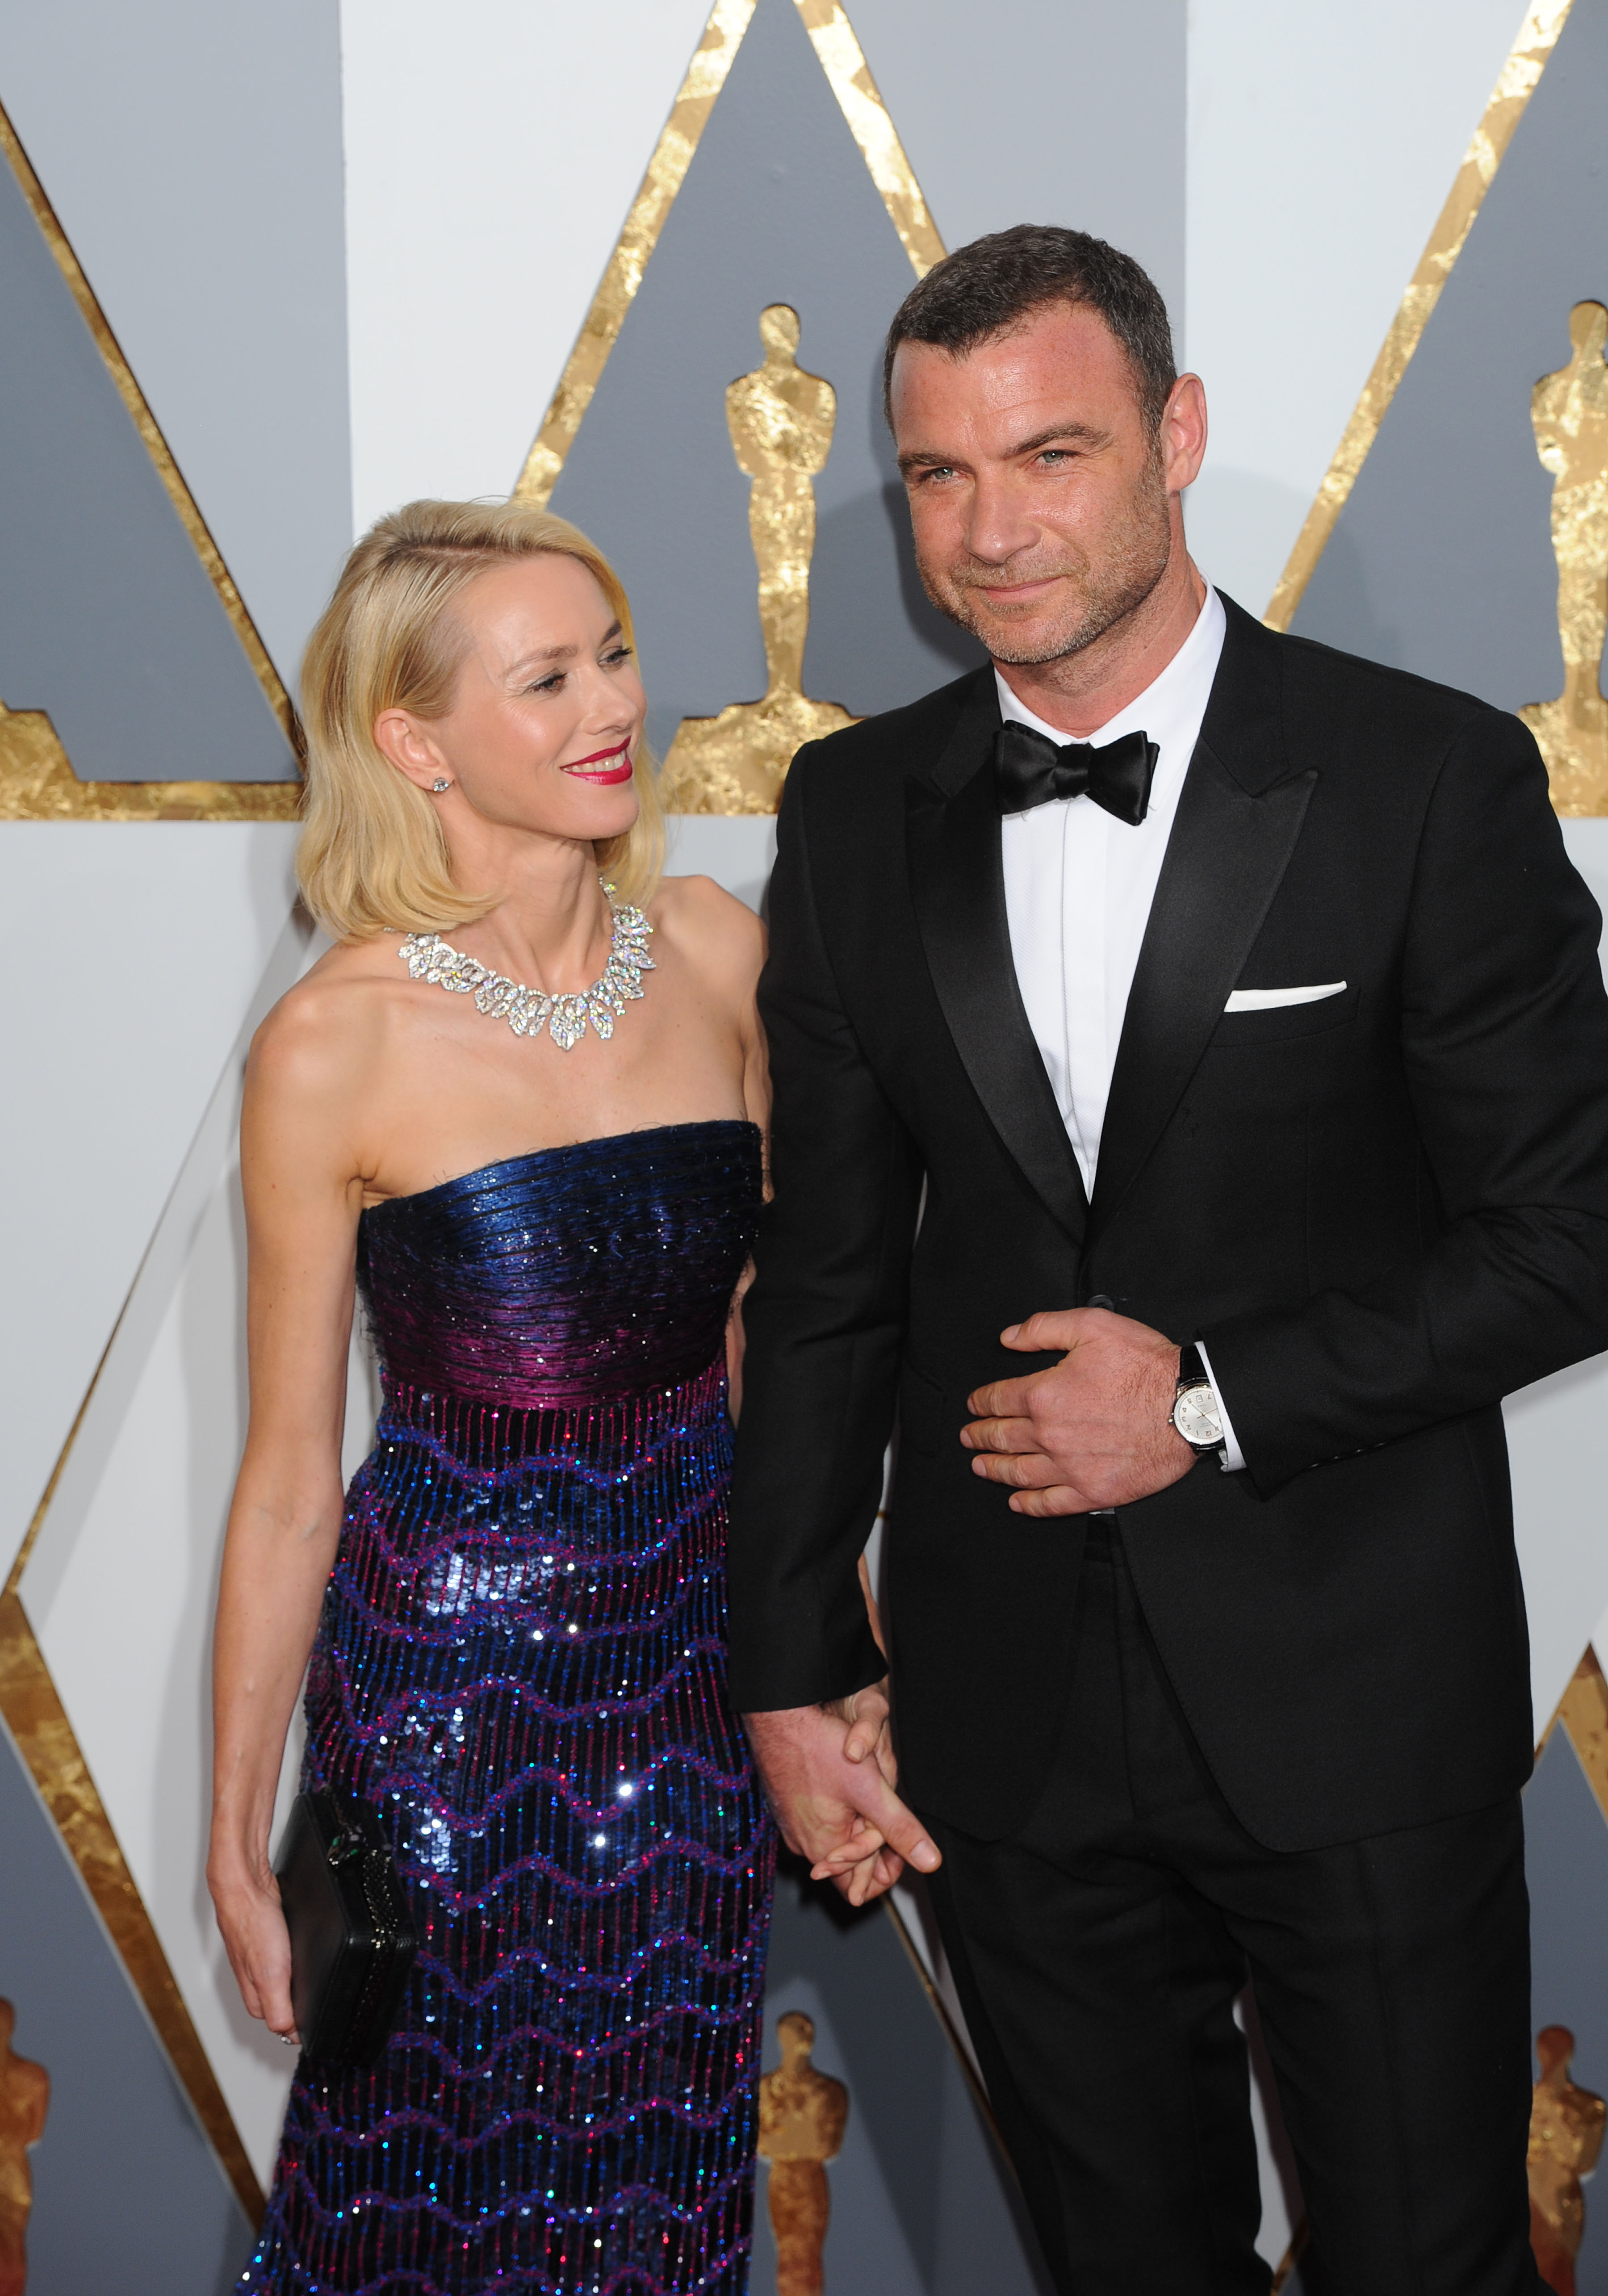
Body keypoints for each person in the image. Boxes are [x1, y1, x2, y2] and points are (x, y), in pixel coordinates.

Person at [726, 225, 1608, 2294]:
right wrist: (788, 1662)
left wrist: (1208, 1402)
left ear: (1177, 434)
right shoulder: (852, 810)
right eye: (939, 475)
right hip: (1003, 1715)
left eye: (1051, 455)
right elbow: (831, 1275)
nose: (991, 530)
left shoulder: (1422, 777)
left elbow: (1574, 1231)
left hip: (1354, 1688)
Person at [208, 499, 780, 2295]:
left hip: (692, 1694)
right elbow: (291, 1476)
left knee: (663, 2184)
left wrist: (825, 1650)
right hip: (444, 1722)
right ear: (416, 741)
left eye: (613, 653)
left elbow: (765, 1351)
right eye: (548, 678)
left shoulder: (716, 951)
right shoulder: (335, 1041)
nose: (613, 704)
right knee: (418, 2196)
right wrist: (234, 1834)